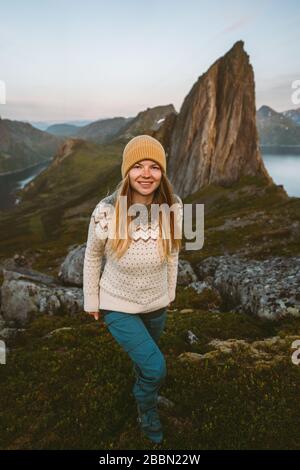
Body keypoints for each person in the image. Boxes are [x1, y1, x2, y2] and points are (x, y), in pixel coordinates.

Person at [83, 134, 183, 444]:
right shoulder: (106, 210)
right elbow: (92, 255)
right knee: (155, 367)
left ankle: (146, 395)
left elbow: (173, 253)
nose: (146, 174)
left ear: (162, 172)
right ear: (127, 171)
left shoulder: (174, 207)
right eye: (138, 166)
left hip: (156, 303)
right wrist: (92, 299)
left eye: (154, 167)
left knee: (145, 363)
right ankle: (147, 413)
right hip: (117, 304)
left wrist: (170, 294)